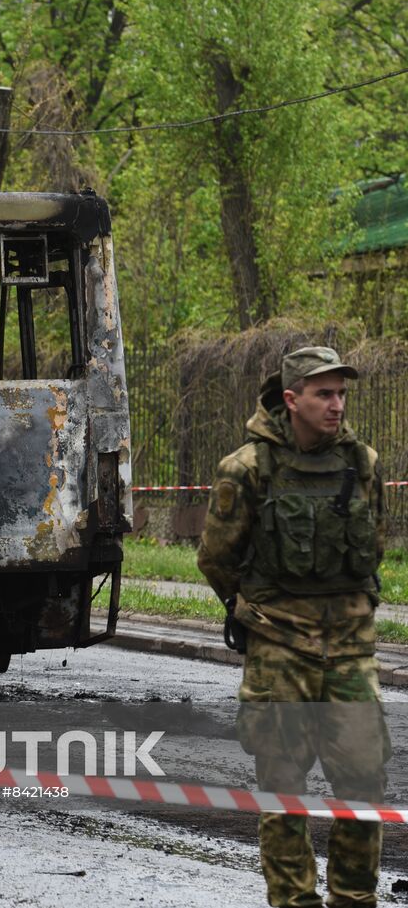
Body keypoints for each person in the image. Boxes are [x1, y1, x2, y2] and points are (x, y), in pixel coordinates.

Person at [198, 346, 390, 908]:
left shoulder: (362, 463)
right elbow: (216, 557)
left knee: (363, 784)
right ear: (292, 399)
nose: (337, 405)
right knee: (283, 791)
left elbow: (374, 544)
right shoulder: (247, 468)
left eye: (342, 393)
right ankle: (293, 901)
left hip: (352, 650)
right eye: (324, 394)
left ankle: (354, 898)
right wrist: (254, 612)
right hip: (280, 649)